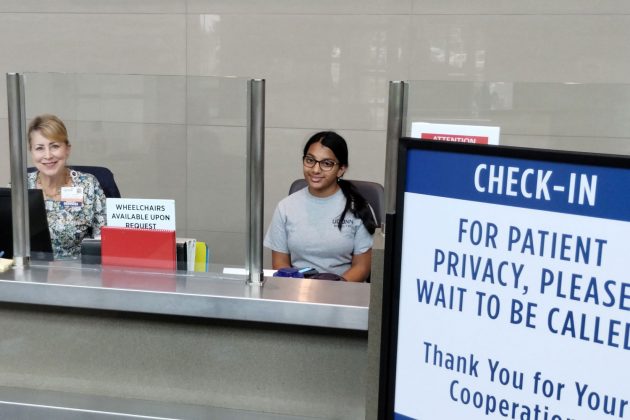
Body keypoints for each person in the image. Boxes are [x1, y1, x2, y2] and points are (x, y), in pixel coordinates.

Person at [264, 131, 377, 282]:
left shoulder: (358, 208)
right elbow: (280, 264)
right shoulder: (285, 207)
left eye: (326, 163)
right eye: (310, 160)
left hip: (343, 292)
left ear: (341, 169)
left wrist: (332, 289)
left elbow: (362, 268)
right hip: (296, 293)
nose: (316, 170)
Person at [27, 114, 106, 259]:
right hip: (28, 272)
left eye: (55, 146)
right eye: (39, 148)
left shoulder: (88, 185)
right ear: (31, 151)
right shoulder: (19, 187)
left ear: (67, 149)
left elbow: (104, 240)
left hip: (78, 274)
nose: (48, 155)